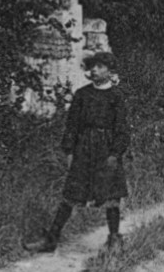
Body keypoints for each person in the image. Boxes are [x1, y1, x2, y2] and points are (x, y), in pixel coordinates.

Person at [23, 52, 130, 253]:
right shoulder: (82, 94)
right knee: (71, 193)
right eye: (93, 67)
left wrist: (115, 153)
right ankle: (51, 239)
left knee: (111, 195)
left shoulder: (117, 96)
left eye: (100, 66)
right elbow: (72, 125)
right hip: (84, 148)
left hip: (106, 149)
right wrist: (69, 151)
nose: (95, 70)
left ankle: (114, 239)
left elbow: (122, 128)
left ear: (109, 70)